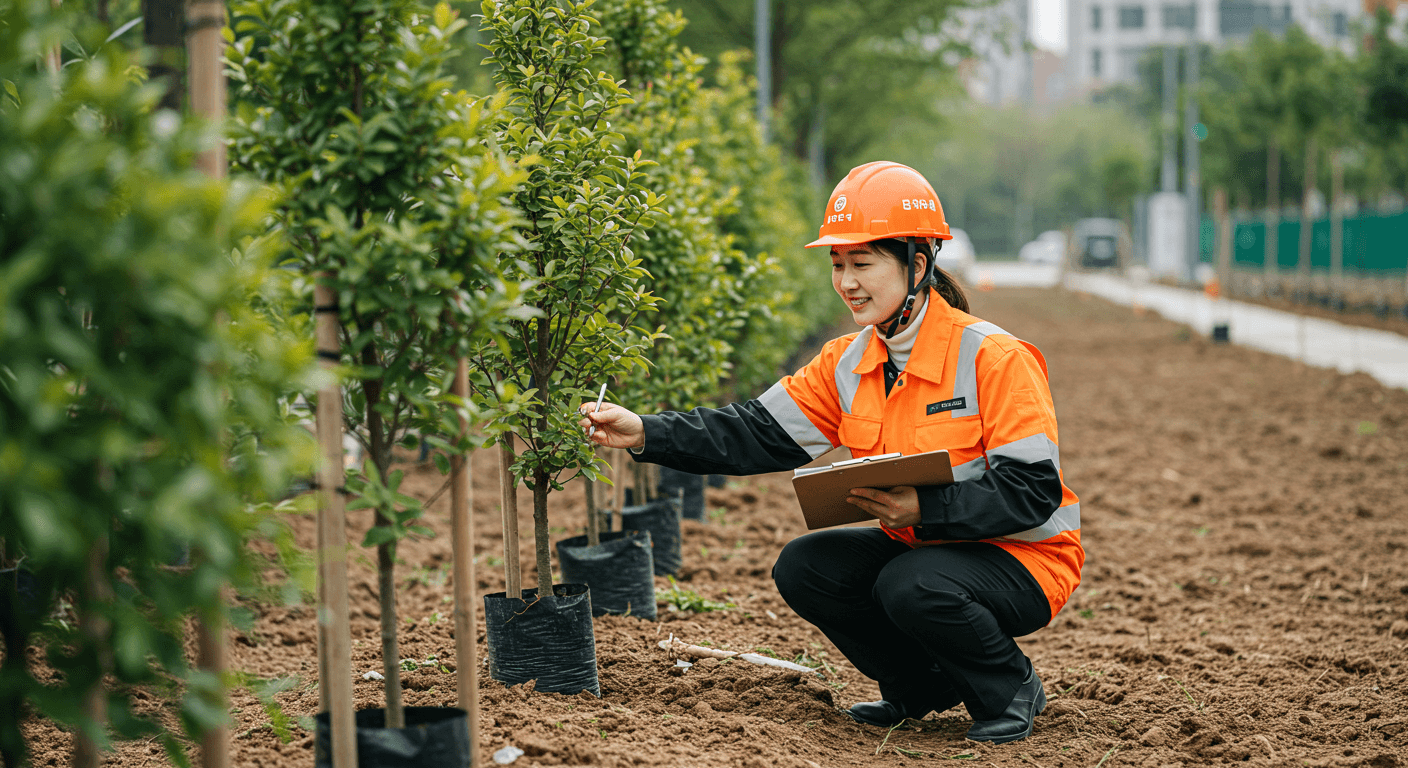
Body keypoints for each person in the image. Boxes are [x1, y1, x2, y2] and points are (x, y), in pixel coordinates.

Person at [580, 161, 1082, 744]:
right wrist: (645, 431)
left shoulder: (994, 358)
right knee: (808, 567)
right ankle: (920, 688)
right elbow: (753, 431)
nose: (847, 282)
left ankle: (1009, 687)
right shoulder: (848, 360)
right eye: (838, 265)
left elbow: (1032, 491)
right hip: (927, 549)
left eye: (863, 263)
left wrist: (925, 508)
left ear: (917, 265)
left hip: (1024, 558)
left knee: (912, 584)